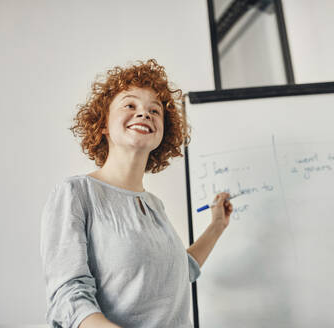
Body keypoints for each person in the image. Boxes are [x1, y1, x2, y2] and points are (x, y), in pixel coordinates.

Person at [39, 59, 233, 328]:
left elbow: (178, 271)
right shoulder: (76, 194)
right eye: (130, 105)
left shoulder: (154, 205)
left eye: (155, 110)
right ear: (103, 124)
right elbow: (68, 299)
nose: (144, 114)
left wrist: (217, 225)